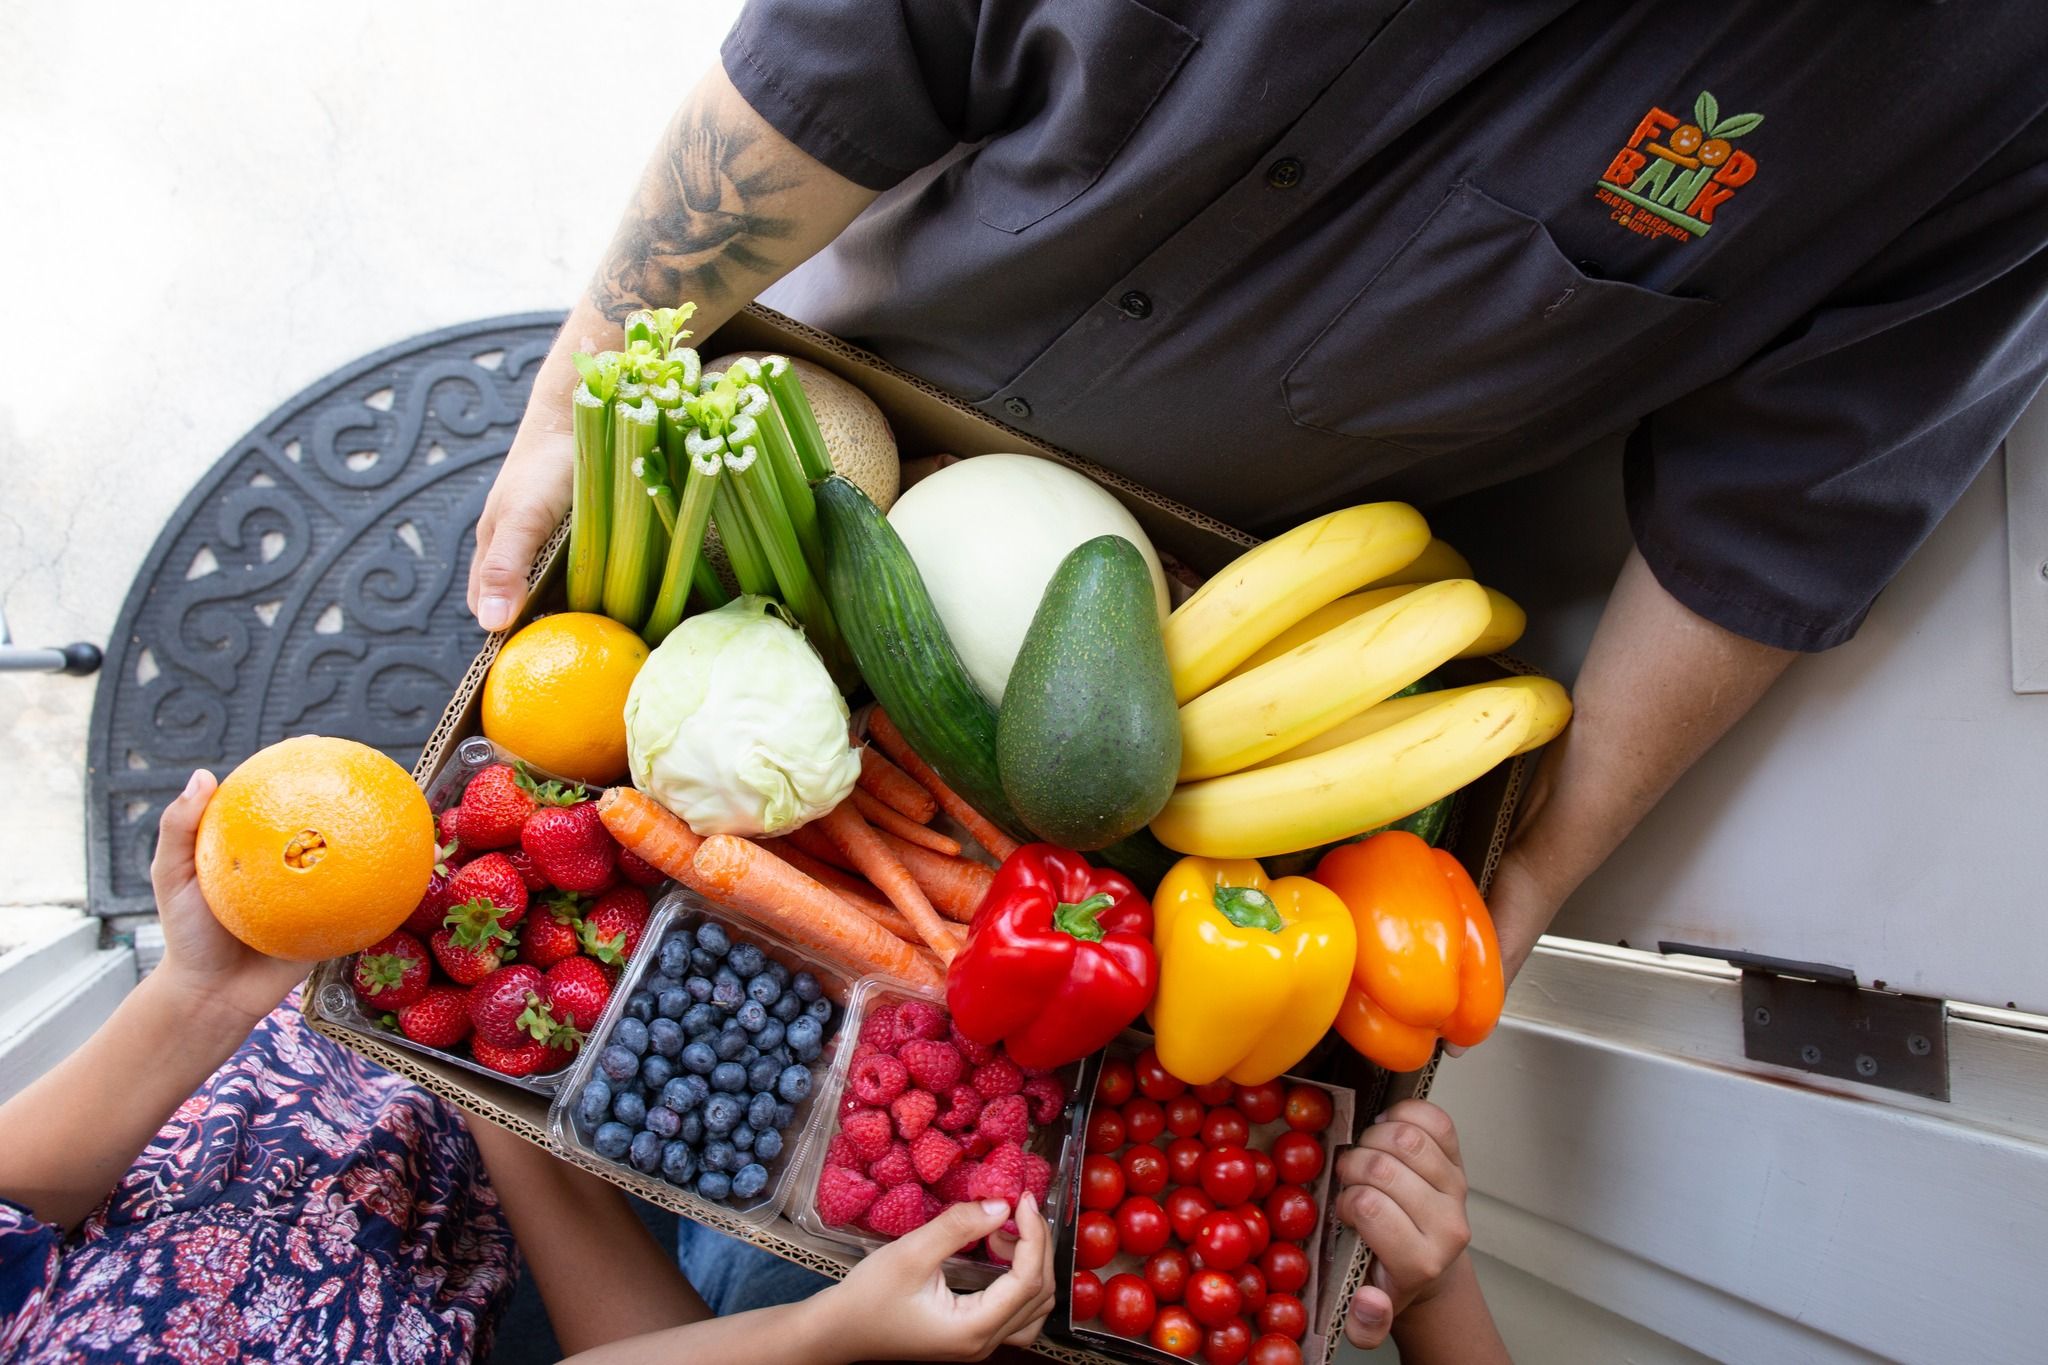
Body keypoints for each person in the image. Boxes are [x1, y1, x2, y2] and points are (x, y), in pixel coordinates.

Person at [468, 0, 2048, 989]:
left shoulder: (1994, 82)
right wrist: (585, 368)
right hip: (839, 403)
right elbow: (868, 34)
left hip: (1216, 618)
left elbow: (1792, 508)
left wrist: (1535, 871)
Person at [0, 772, 1058, 1363]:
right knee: (792, 1224)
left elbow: (16, 1199)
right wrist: (829, 1334)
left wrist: (202, 993)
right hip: (516, 1177)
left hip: (382, 1027)